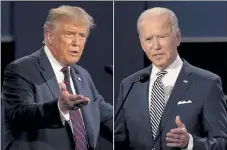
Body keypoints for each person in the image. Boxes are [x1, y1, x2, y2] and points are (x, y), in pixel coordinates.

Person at [114, 7, 227, 150]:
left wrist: (190, 143)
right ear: (142, 43)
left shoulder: (208, 83)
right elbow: (119, 140)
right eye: (148, 39)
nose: (156, 46)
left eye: (162, 37)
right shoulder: (130, 84)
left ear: (178, 37)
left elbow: (222, 143)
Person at [2, 5, 113, 150]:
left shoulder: (82, 75)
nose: (77, 42)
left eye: (82, 36)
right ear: (49, 35)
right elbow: (20, 115)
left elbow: (105, 117)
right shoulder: (21, 69)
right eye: (69, 34)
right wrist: (58, 108)